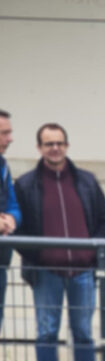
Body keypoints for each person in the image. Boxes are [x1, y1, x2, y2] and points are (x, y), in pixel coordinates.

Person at [14, 122, 105, 361]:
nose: (55, 148)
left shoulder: (87, 181)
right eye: (49, 144)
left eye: (59, 143)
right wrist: (38, 257)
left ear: (66, 146)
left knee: (83, 333)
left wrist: (93, 253)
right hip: (45, 273)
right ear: (39, 148)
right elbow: (17, 230)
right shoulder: (25, 185)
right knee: (46, 332)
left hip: (83, 272)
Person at [0, 110, 22, 331]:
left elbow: (14, 205)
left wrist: (10, 220)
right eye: (4, 133)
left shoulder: (3, 166)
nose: (10, 138)